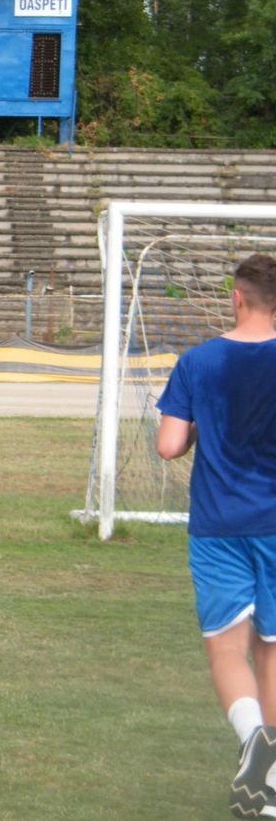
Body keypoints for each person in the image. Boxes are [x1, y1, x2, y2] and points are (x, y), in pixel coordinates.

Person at [156, 253, 276, 818]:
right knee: (272, 648)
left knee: (228, 649)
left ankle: (253, 742)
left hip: (219, 525)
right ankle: (271, 778)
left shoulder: (198, 361)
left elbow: (169, 446)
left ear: (236, 296)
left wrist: (206, 419)